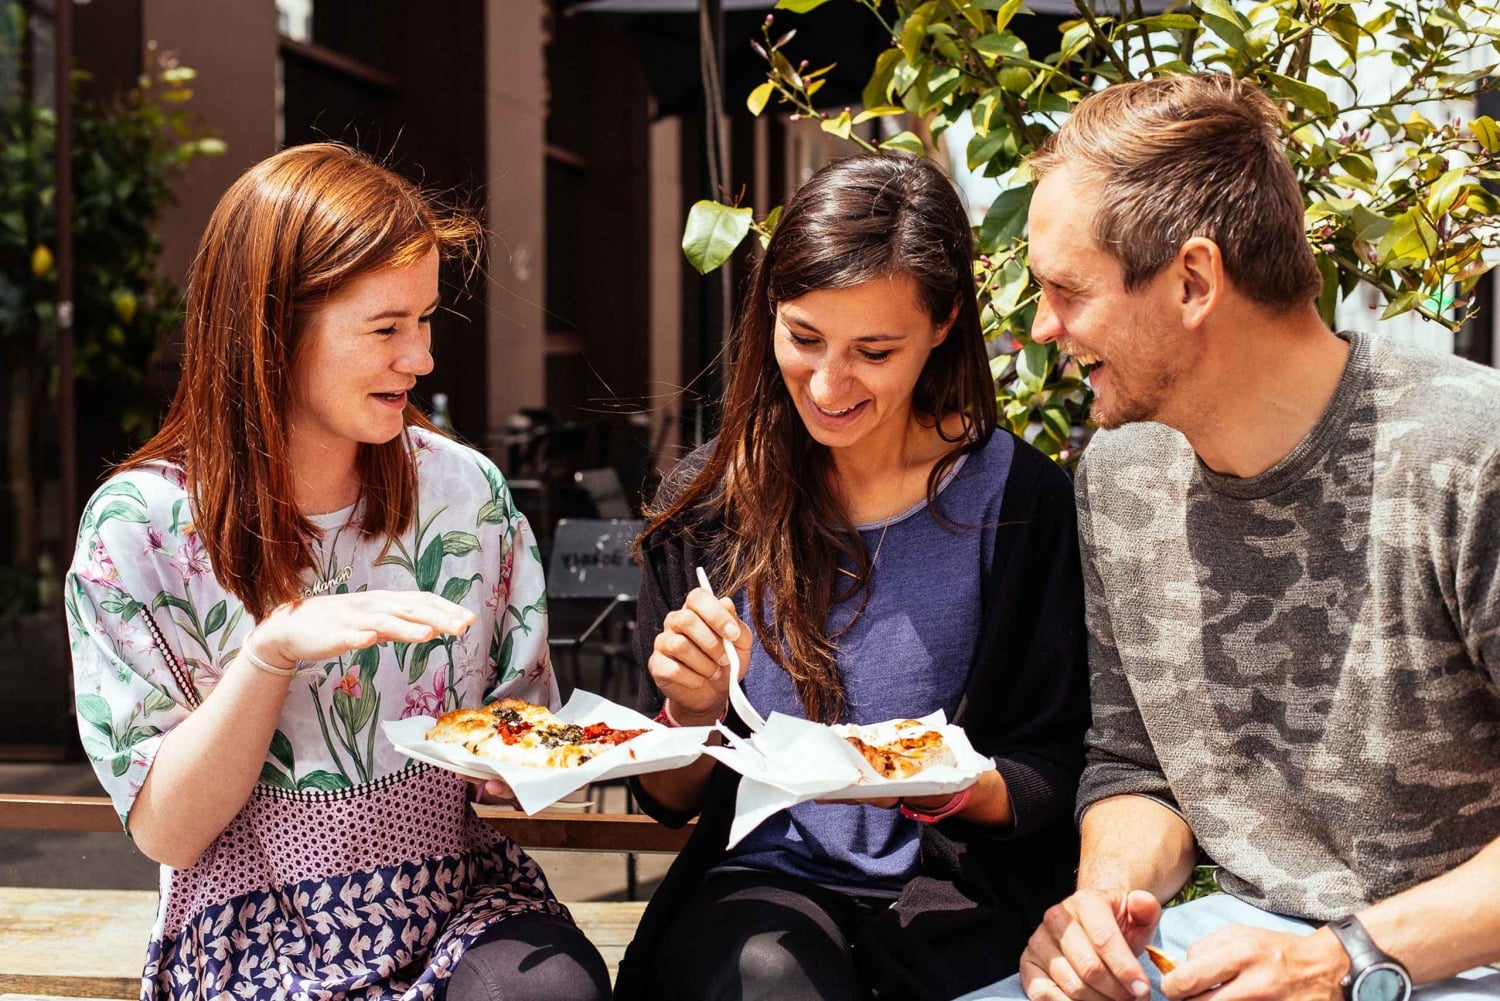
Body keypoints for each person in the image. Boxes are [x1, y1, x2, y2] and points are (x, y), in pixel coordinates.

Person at [965, 74, 1500, 1001]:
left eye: (1066, 291)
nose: (1043, 327)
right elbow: (1137, 766)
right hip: (1235, 950)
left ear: (1193, 279)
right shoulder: (1121, 475)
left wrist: (1345, 959)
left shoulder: (1469, 455)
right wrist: (1104, 905)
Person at [65, 143, 611, 1001]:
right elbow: (168, 829)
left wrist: (527, 760)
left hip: (458, 909)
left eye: (426, 321)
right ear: (271, 327)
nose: (421, 358)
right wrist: (270, 654)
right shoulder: (139, 531)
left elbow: (518, 732)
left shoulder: (464, 494)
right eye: (387, 327)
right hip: (245, 932)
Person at [610, 152, 1091, 1001]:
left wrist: (962, 787)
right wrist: (691, 711)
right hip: (760, 891)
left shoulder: (1023, 503)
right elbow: (669, 797)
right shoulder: (707, 506)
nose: (829, 385)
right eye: (803, 338)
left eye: (873, 349)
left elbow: (1055, 765)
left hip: (966, 896)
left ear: (943, 323)